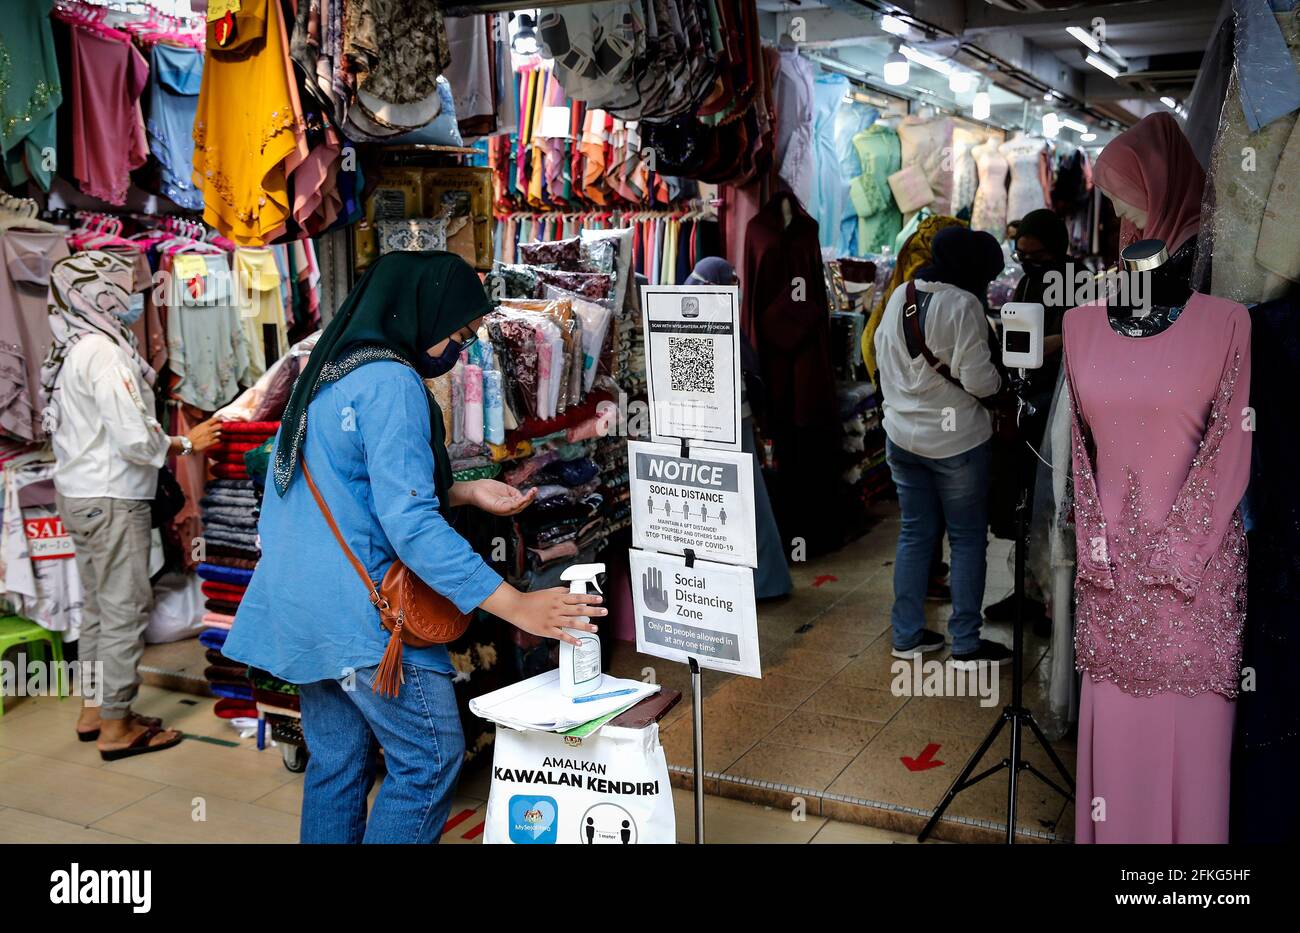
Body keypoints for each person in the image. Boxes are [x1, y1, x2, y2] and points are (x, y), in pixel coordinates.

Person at [222, 252, 607, 844]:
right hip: (364, 618)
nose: (458, 349)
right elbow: (413, 528)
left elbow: (336, 486)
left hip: (301, 607)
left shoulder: (330, 371)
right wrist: (516, 604)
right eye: (456, 334)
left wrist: (460, 490)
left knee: (337, 765)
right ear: (420, 313)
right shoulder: (391, 381)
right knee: (426, 763)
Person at [42, 251, 223, 760]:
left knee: (99, 608)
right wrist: (188, 444)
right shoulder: (103, 352)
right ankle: (117, 728)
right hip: (112, 495)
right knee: (124, 610)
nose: (133, 300)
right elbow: (133, 439)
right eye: (120, 290)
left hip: (80, 494)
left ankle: (95, 709)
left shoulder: (71, 347)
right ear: (96, 295)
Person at [873, 227, 1011, 668]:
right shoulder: (963, 305)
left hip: (901, 439)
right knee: (968, 539)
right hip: (957, 445)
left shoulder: (901, 295)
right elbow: (979, 380)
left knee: (915, 533)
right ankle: (966, 646)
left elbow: (880, 355)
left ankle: (907, 636)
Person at [984, 209, 1072, 623]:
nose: (1028, 262)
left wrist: (1053, 341)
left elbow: (1082, 338)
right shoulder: (1027, 281)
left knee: (1050, 501)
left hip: (1056, 403)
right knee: (1023, 501)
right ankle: (1027, 591)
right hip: (1026, 401)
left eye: (1036, 255)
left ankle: (1049, 599)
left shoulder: (1075, 282)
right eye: (1021, 254)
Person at [686, 256, 792, 600]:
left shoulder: (697, 315)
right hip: (726, 423)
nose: (736, 292)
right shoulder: (716, 315)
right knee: (744, 499)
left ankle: (761, 583)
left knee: (742, 501)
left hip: (725, 424)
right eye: (730, 284)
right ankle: (760, 582)